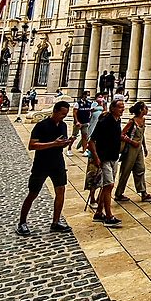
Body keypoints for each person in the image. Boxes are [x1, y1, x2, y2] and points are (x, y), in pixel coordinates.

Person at [16, 101, 75, 236]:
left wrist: (67, 143)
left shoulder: (63, 126)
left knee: (60, 191)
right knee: (33, 193)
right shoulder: (41, 126)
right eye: (62, 114)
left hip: (58, 163)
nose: (64, 117)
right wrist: (53, 143)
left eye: (65, 114)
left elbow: (61, 144)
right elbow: (32, 145)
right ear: (54, 111)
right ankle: (22, 223)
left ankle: (55, 222)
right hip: (41, 164)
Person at [87, 99, 125, 227]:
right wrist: (96, 157)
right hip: (104, 158)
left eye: (123, 107)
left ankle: (98, 213)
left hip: (114, 157)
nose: (122, 109)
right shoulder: (105, 121)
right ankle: (108, 216)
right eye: (120, 107)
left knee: (107, 186)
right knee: (109, 185)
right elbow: (91, 141)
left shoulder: (117, 120)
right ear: (112, 108)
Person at [115, 102, 151, 203]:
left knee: (140, 169)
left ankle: (143, 193)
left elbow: (142, 135)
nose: (147, 110)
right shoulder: (132, 122)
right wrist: (132, 142)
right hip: (130, 149)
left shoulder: (143, 120)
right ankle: (118, 194)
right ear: (140, 110)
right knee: (126, 170)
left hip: (138, 149)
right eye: (145, 108)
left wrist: (145, 147)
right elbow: (121, 134)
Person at [71, 90, 95, 155]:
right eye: (87, 95)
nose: (88, 96)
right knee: (74, 136)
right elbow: (74, 113)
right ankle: (69, 148)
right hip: (79, 122)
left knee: (85, 136)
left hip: (85, 122)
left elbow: (90, 112)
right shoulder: (77, 103)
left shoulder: (89, 103)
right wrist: (76, 121)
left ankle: (84, 150)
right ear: (84, 95)